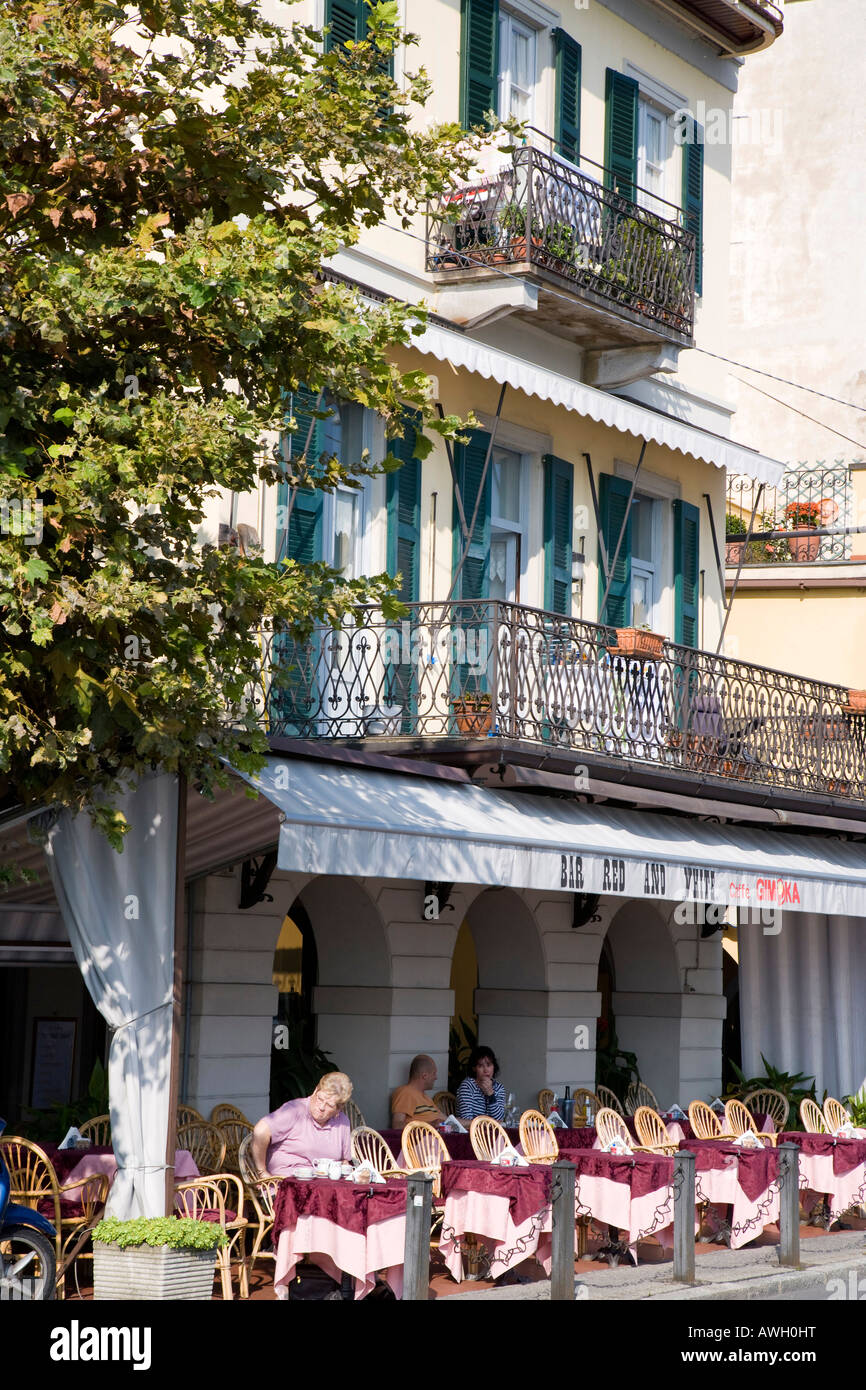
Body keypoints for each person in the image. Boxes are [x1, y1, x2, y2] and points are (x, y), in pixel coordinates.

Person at [250, 1071, 353, 1177]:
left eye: (329, 1105)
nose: (321, 1107)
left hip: (323, 1186)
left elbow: (344, 1162)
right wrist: (262, 1172)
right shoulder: (295, 1110)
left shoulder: (342, 1122)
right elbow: (260, 1131)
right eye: (320, 1099)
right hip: (286, 1183)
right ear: (315, 1091)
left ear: (338, 1109)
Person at [390, 1054, 446, 1130]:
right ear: (425, 1076)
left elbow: (448, 1121)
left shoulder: (426, 1097)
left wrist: (468, 1123)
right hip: (422, 1140)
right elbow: (397, 1125)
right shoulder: (405, 1092)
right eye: (434, 1073)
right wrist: (429, 1125)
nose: (436, 1078)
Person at [456, 1046, 506, 1122]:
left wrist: (491, 1094)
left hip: (492, 1132)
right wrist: (488, 1124)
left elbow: (500, 1119)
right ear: (474, 1068)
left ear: (493, 1066)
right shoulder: (467, 1086)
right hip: (469, 1132)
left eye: (489, 1065)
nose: (486, 1070)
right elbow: (466, 1119)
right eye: (480, 1066)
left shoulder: (499, 1088)